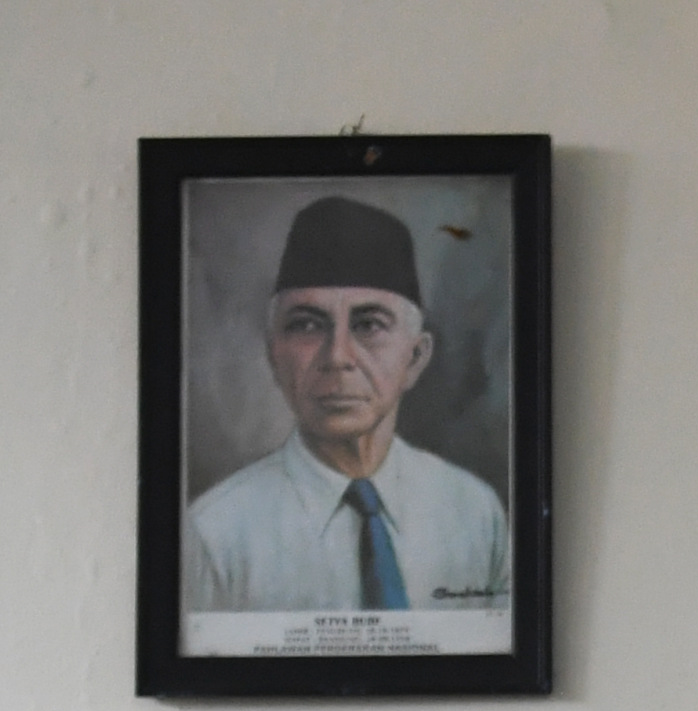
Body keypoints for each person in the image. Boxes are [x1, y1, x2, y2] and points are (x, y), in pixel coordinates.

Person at [181, 195, 513, 617]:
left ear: (415, 357)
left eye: (369, 325)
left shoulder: (475, 513)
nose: (337, 356)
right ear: (274, 356)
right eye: (307, 325)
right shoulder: (215, 535)